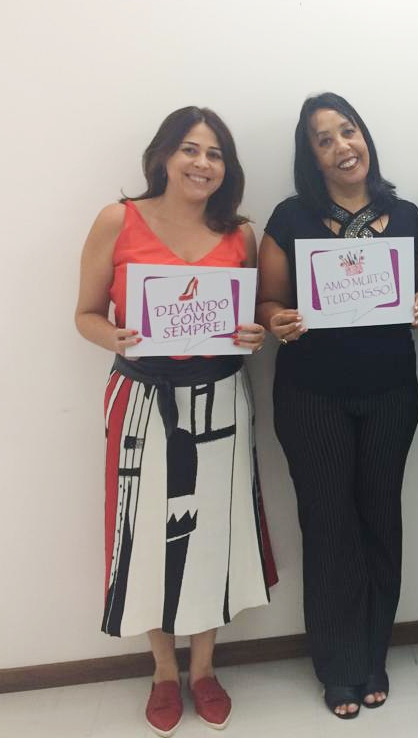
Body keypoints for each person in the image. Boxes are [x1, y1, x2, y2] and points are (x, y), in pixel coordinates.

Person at [75, 106, 277, 737]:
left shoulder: (241, 234)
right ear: (163, 155)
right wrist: (115, 335)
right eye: (190, 149)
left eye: (215, 154)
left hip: (222, 395)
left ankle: (205, 668)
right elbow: (85, 314)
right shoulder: (117, 220)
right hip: (140, 396)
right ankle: (164, 671)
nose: (202, 163)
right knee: (145, 535)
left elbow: (251, 319)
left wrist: (253, 334)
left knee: (212, 529)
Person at [257, 92, 418, 720]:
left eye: (348, 131)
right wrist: (276, 319)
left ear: (365, 137)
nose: (341, 146)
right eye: (324, 139)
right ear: (311, 156)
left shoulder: (405, 214)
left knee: (382, 519)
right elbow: (267, 302)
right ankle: (338, 664)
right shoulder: (290, 216)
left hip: (391, 393)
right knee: (329, 526)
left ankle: (373, 653)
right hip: (311, 396)